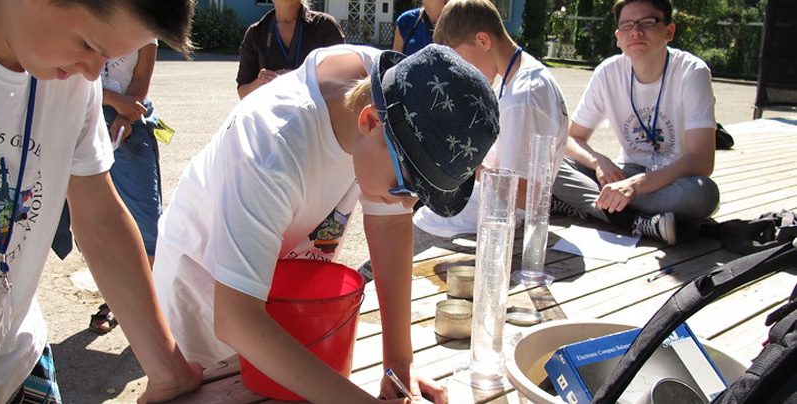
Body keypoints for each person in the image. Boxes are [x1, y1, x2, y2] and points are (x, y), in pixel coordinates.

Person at [152, 44, 499, 404]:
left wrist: (399, 364)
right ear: (369, 121)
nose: (405, 204)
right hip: (203, 291)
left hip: (280, 293)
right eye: (405, 187)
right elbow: (235, 318)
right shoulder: (272, 145)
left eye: (421, 197)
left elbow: (391, 227)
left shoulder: (395, 95)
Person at [0, 0, 202, 403]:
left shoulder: (75, 76)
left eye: (109, 58)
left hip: (20, 361)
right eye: (87, 44)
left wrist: (168, 370)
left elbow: (100, 218)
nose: (94, 74)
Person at [402, 0, 570, 262]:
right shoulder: (517, 79)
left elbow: (523, 195)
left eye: (460, 62)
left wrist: (461, 156)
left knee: (372, 277)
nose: (460, 74)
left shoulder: (523, 96)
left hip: (467, 226)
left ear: (483, 40)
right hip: (464, 217)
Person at [551, 0, 719, 245]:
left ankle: (593, 206)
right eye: (627, 25)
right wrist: (601, 163)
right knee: (551, 162)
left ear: (669, 31)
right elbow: (571, 138)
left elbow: (701, 161)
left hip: (674, 180)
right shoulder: (608, 72)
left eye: (647, 23)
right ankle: (636, 221)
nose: (636, 32)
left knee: (704, 194)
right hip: (626, 171)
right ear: (618, 37)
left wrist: (636, 186)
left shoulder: (692, 72)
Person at [85, 40, 165, 334]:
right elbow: (77, 74)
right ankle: (115, 301)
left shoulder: (146, 25)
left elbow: (141, 79)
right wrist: (113, 101)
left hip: (131, 121)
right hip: (84, 118)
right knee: (96, 219)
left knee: (146, 219)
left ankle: (153, 303)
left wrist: (123, 113)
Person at [236, 0, 344, 99]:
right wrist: (258, 84)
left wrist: (304, 80)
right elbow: (242, 92)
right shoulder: (256, 32)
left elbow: (343, 82)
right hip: (271, 117)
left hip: (313, 117)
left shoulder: (325, 26)